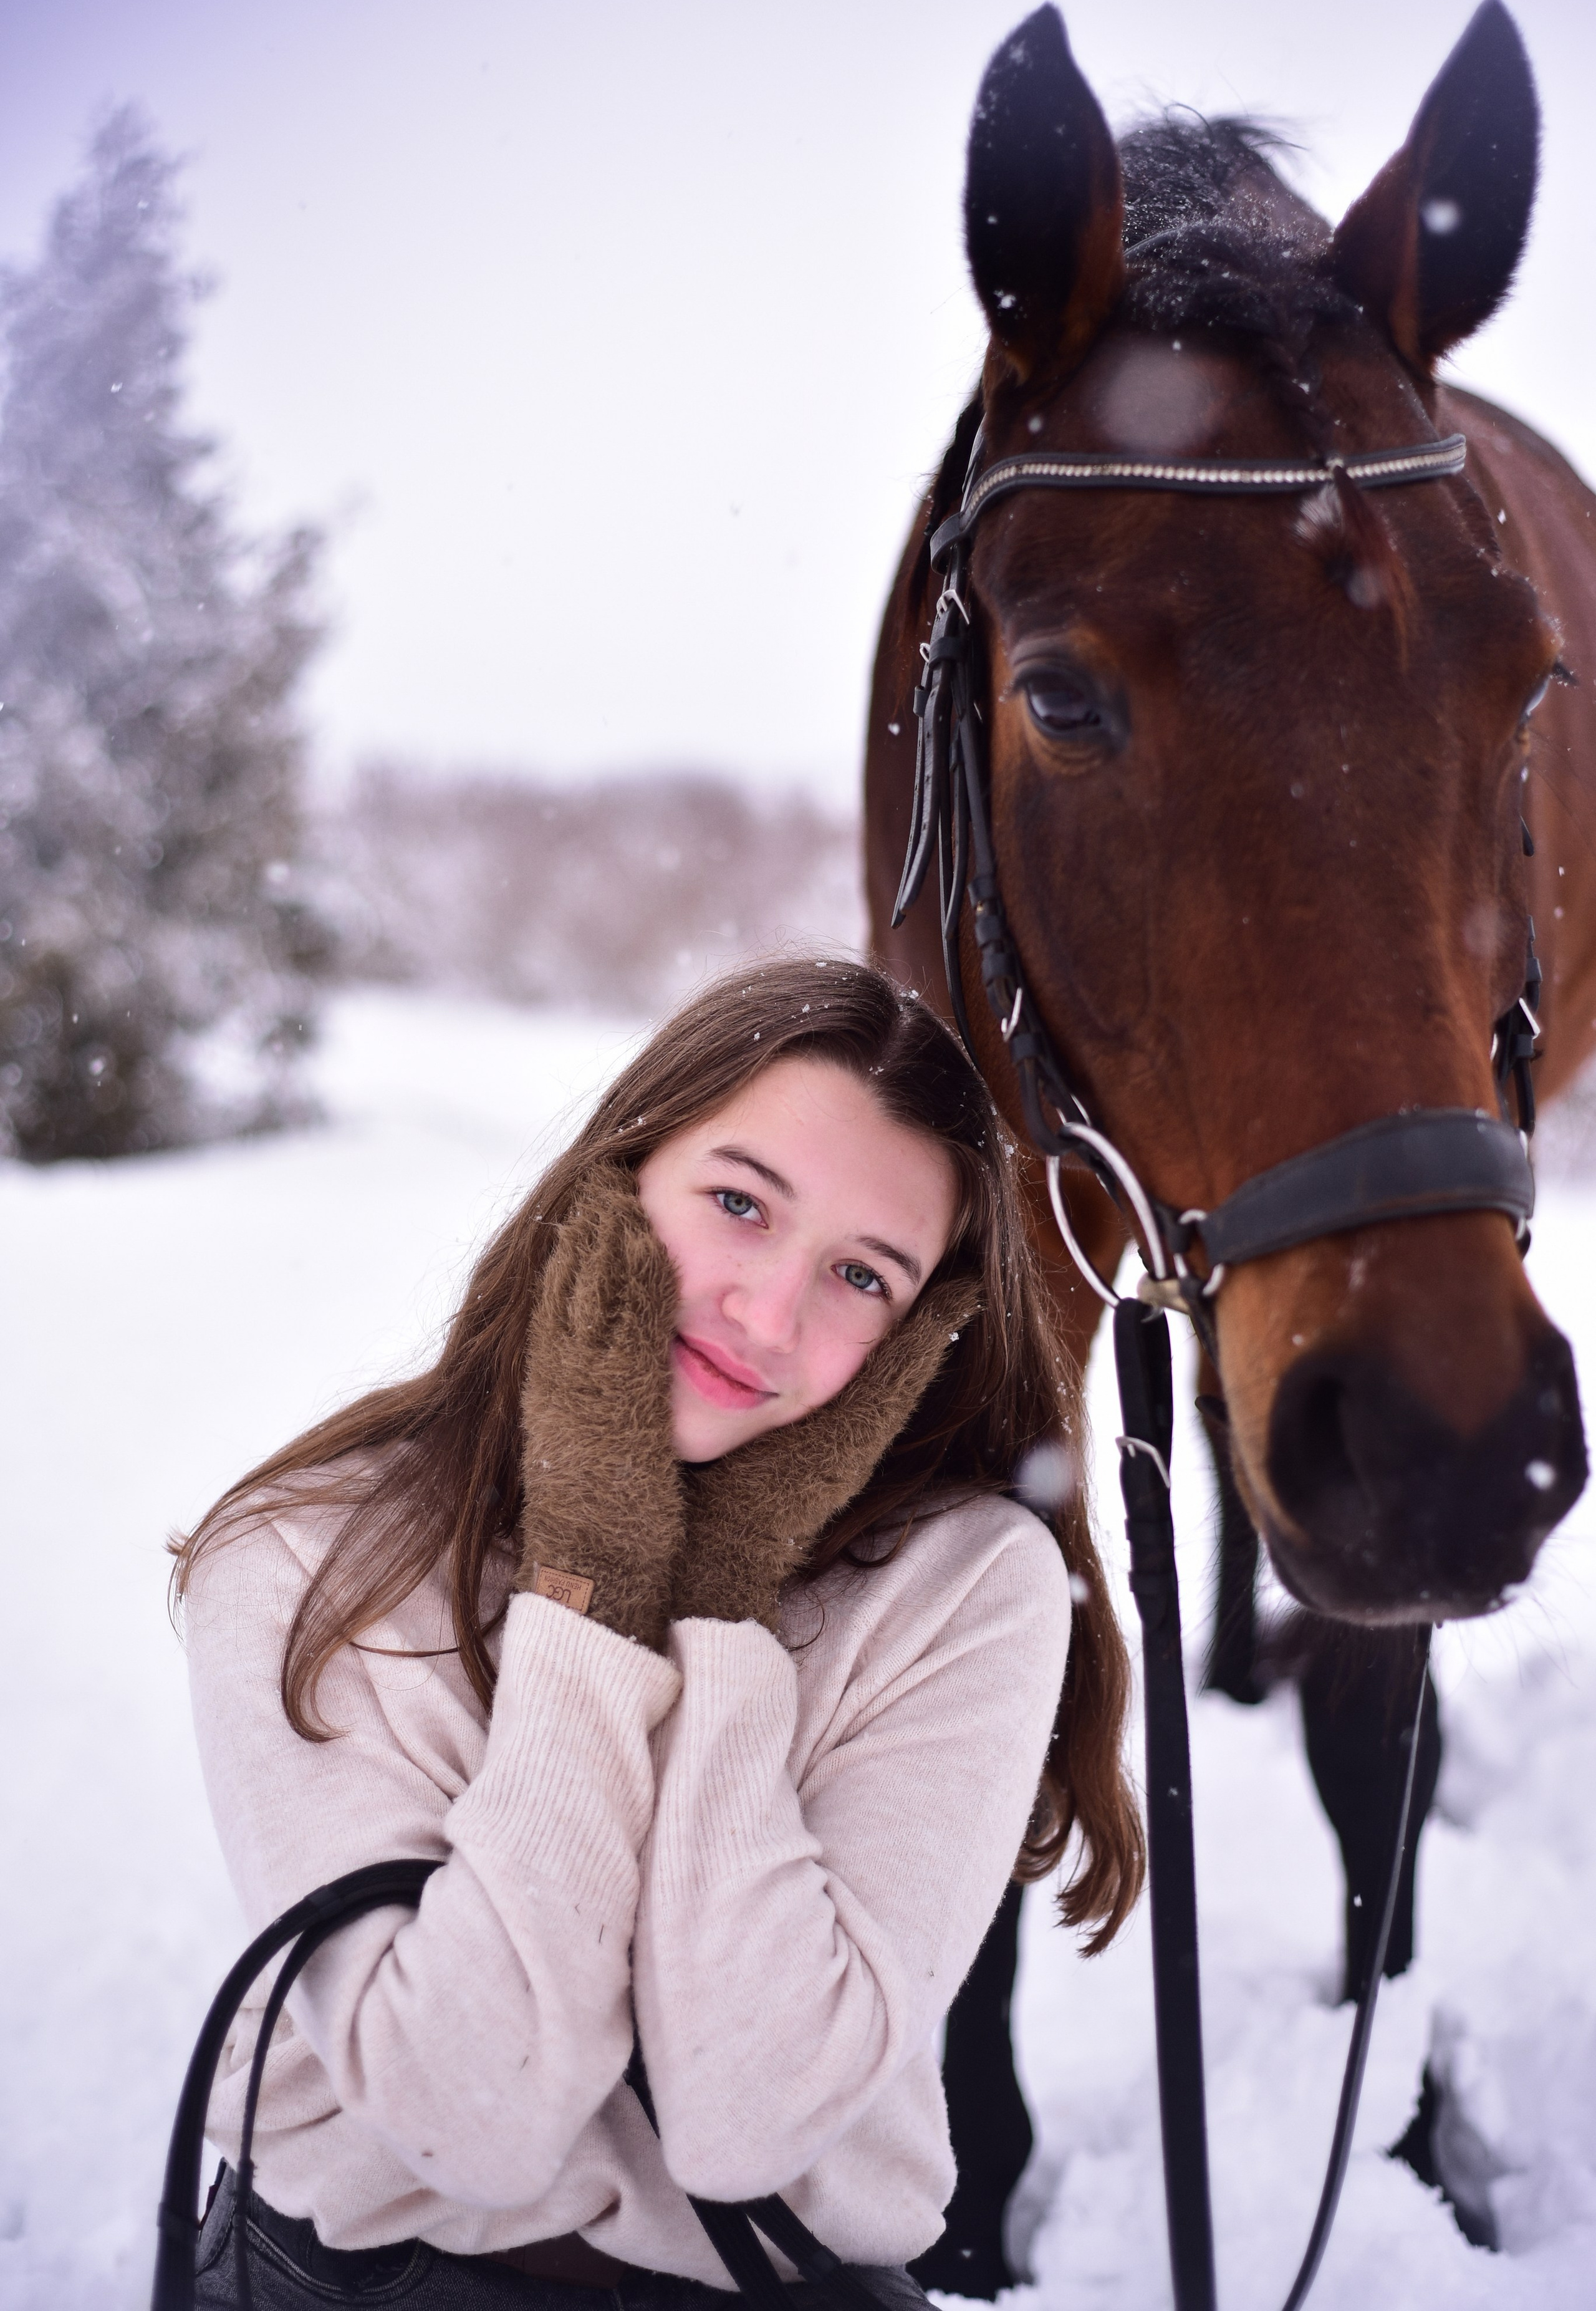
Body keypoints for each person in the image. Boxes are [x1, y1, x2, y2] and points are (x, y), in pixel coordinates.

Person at [174, 955, 1143, 2309]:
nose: (769, 1312)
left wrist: (719, 1597)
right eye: (739, 1203)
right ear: (611, 1186)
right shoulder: (306, 1555)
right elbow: (473, 2113)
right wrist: (591, 1581)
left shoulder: (965, 1588)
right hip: (365, 2284)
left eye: (861, 1276)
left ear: (920, 1339)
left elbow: (751, 2117)